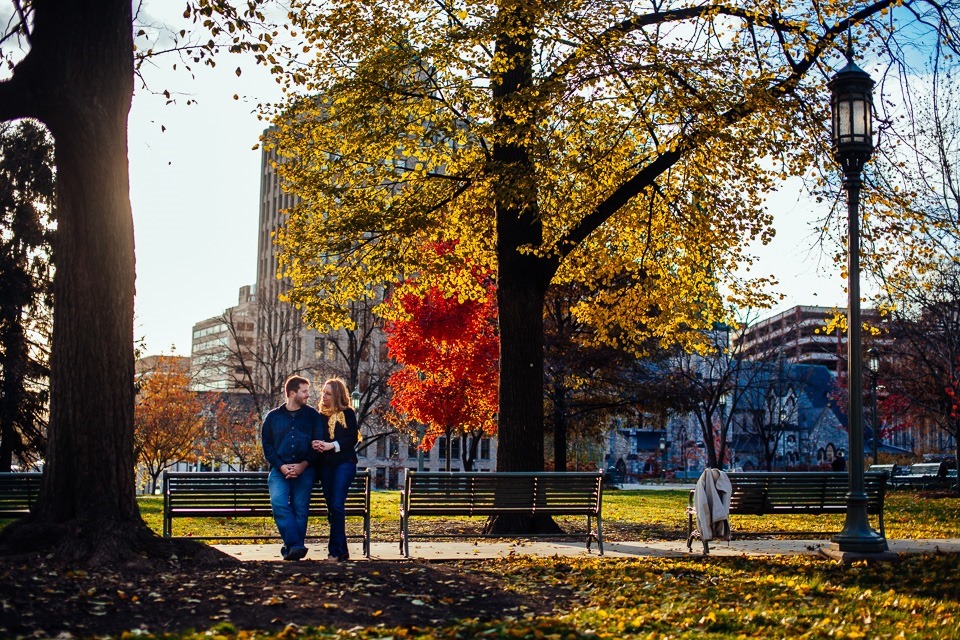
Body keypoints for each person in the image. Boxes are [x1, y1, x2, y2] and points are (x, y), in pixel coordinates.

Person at [261, 375, 320, 561]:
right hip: (279, 470)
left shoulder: (312, 416)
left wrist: (303, 465)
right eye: (304, 392)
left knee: (300, 508)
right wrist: (281, 466)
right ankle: (295, 545)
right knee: (278, 503)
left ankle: (293, 549)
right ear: (292, 393)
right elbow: (267, 446)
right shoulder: (272, 417)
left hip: (305, 469)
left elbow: (318, 444)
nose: (307, 395)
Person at [312, 378, 360, 562]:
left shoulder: (347, 414)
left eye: (328, 393)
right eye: (323, 392)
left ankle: (334, 552)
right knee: (332, 508)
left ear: (338, 395)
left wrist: (331, 445)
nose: (324, 396)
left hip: (345, 463)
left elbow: (352, 439)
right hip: (325, 465)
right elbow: (316, 437)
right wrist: (316, 443)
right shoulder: (318, 416)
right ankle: (343, 551)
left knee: (337, 505)